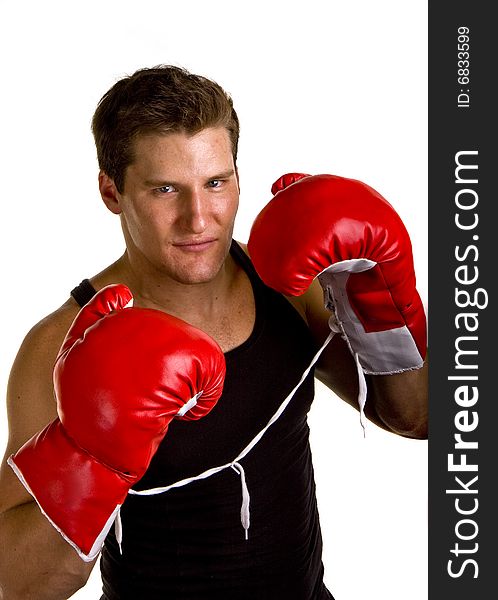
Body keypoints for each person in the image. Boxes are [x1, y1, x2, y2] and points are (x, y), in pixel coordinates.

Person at [0, 65, 428, 600]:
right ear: (112, 192)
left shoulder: (286, 284)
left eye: (216, 183)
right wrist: (91, 459)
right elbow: (13, 584)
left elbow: (414, 417)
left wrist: (377, 300)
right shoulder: (61, 346)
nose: (198, 219)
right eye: (164, 190)